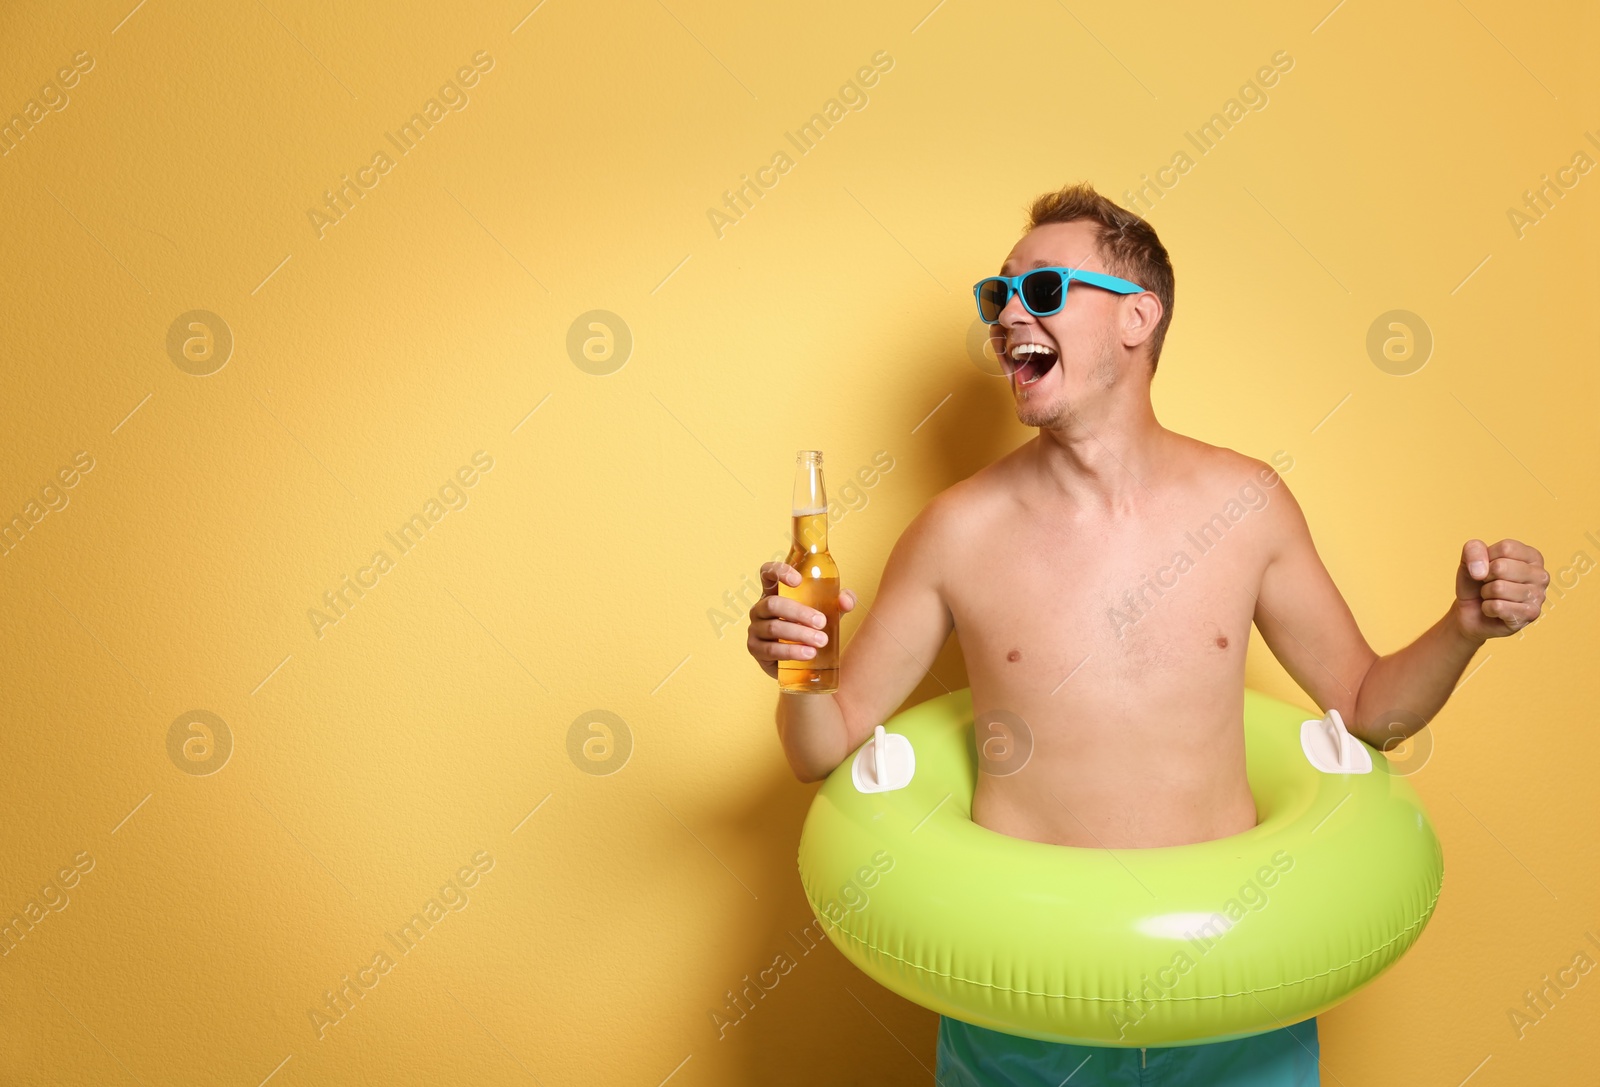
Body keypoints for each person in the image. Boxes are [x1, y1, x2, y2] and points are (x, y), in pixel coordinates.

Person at [746, 181, 1547, 1085]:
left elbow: (1369, 710)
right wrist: (800, 667)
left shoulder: (1245, 506)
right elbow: (824, 749)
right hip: (1022, 1001)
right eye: (997, 295)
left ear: (1138, 318)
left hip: (1232, 994)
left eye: (1042, 290)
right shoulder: (954, 532)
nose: (1009, 312)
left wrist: (1465, 626)